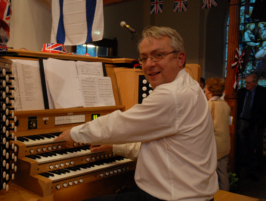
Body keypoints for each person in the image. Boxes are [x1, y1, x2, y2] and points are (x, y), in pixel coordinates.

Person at [55, 26, 218, 201]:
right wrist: (114, 146)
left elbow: (118, 125)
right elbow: (162, 147)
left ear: (180, 58)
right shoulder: (190, 85)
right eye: (144, 58)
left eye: (158, 55)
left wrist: (73, 133)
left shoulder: (172, 95)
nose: (149, 64)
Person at [236, 73, 266, 181]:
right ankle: (237, 171)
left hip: (253, 124)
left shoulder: (262, 92)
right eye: (245, 82)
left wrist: (259, 123)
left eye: (249, 83)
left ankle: (251, 171)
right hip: (240, 121)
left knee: (251, 147)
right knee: (239, 147)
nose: (246, 84)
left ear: (255, 82)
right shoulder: (241, 92)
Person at [204, 78, 231, 191]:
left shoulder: (210, 105)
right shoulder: (225, 104)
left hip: (215, 147)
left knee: (211, 177)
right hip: (225, 146)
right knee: (223, 174)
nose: (204, 89)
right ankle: (227, 196)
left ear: (210, 90)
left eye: (205, 87)